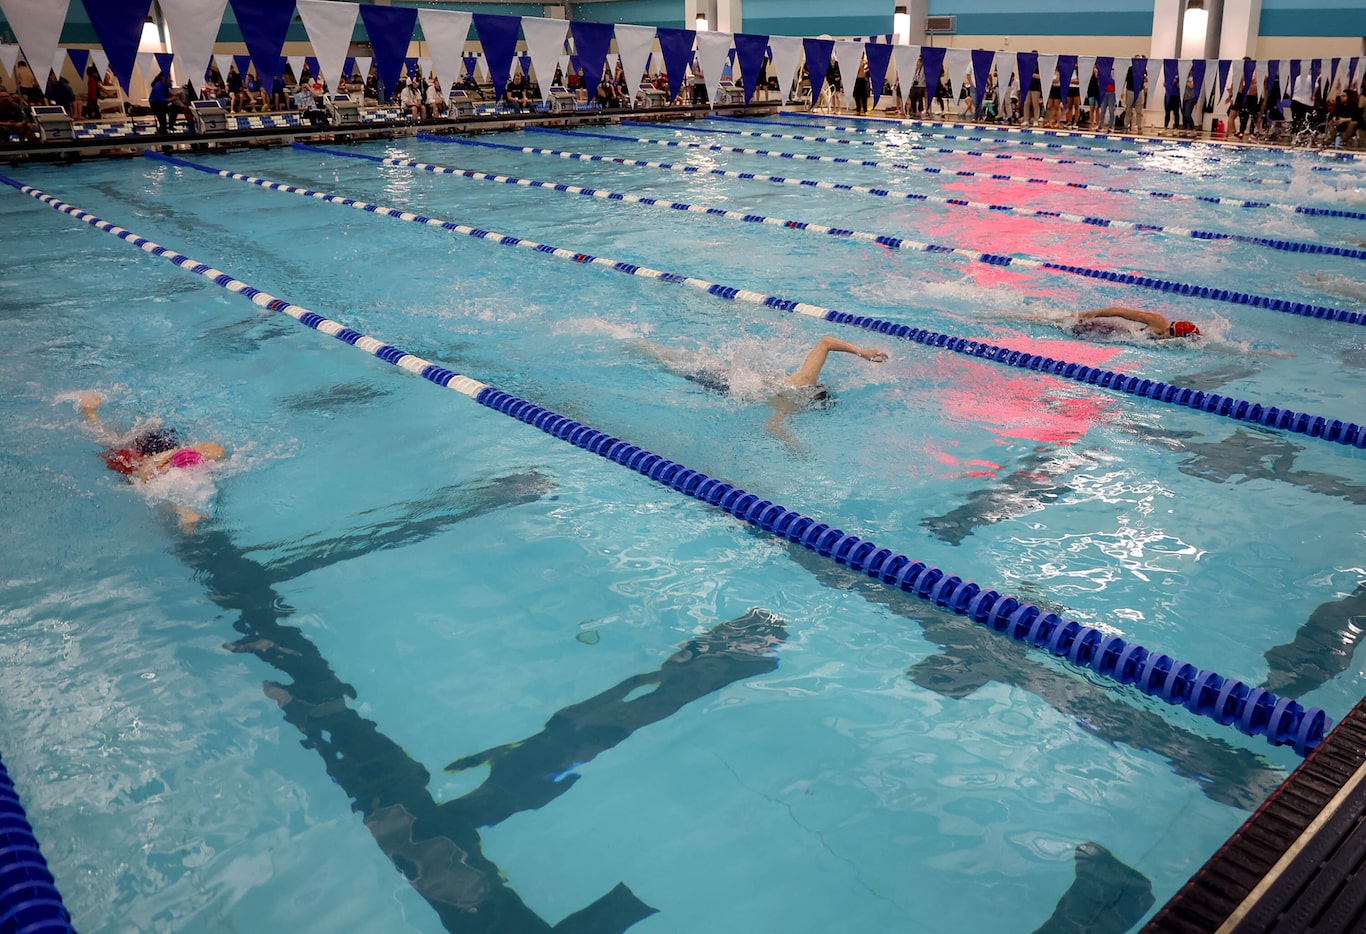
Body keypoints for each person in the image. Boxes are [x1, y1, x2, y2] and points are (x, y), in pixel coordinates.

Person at [639, 337, 888, 448]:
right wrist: (795, 446)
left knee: (678, 359)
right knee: (675, 366)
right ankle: (638, 348)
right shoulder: (792, 403)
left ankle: (641, 345)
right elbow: (772, 428)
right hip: (726, 385)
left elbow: (825, 342)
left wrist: (861, 352)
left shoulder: (804, 379)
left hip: (734, 376)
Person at [78, 394, 226, 531]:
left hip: (166, 450)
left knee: (112, 443)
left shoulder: (189, 461)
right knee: (110, 446)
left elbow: (218, 450)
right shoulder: (144, 469)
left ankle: (89, 412)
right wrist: (186, 512)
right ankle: (88, 412)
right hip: (147, 457)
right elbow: (150, 486)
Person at [1072, 307, 1200, 340]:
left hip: (1113, 337)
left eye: (1171, 332)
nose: (1167, 330)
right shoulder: (1158, 323)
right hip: (1107, 330)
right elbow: (1118, 311)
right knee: (1068, 325)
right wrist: (1086, 315)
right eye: (1170, 326)